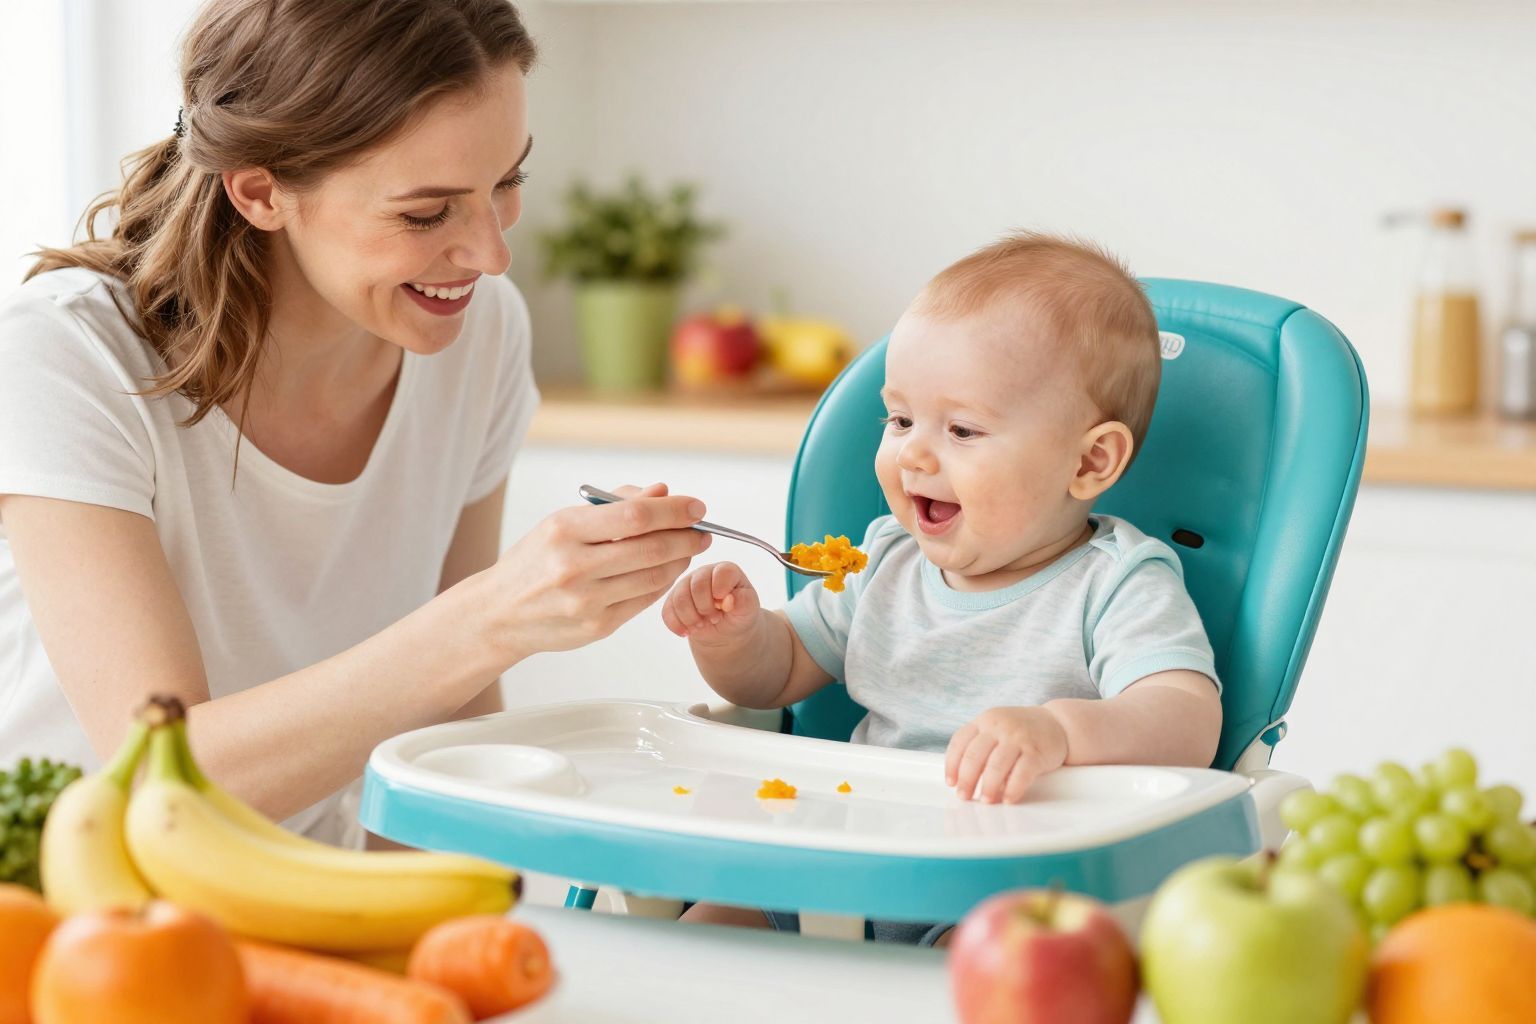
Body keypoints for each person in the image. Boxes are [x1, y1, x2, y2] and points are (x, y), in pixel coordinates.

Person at [0, 0, 710, 845]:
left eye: (507, 182)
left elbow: (453, 726)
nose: (490, 254)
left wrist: (442, 915)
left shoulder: (479, 332)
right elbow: (158, 776)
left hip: (301, 899)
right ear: (260, 191)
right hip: (61, 910)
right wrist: (492, 618)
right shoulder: (68, 355)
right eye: (425, 213)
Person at [662, 232, 1223, 943]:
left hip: (1003, 891)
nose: (914, 452)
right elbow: (771, 679)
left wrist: (1057, 730)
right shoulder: (885, 563)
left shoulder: (1116, 582)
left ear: (1091, 461)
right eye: (898, 419)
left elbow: (1186, 720)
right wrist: (735, 636)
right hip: (841, 859)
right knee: (704, 928)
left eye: (962, 429)